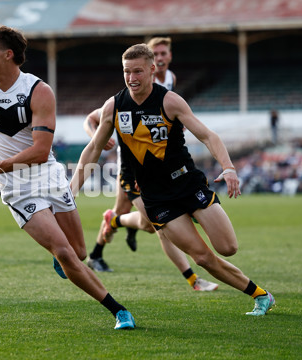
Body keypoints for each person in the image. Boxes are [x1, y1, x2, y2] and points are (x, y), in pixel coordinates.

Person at [71, 43, 274, 316]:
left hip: (187, 184)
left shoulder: (170, 101)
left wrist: (229, 167)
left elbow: (208, 136)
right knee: (202, 258)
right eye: (126, 72)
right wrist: (71, 190)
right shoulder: (115, 106)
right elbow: (93, 149)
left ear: (152, 70)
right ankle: (261, 296)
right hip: (156, 198)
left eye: (138, 72)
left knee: (228, 248)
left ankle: (124, 220)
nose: (132, 78)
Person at [0, 24, 134, 329]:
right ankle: (118, 310)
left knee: (78, 252)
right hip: (17, 188)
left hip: (48, 176)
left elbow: (41, 151)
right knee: (66, 252)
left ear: (8, 54)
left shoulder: (38, 91)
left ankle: (63, 258)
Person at [84, 38, 219, 291]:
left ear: (168, 57)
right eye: (155, 52)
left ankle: (113, 226)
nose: (160, 57)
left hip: (161, 170)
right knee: (159, 226)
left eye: (163, 53)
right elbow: (92, 119)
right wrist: (98, 139)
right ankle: (192, 278)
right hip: (134, 169)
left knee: (148, 223)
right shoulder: (133, 84)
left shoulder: (169, 83)